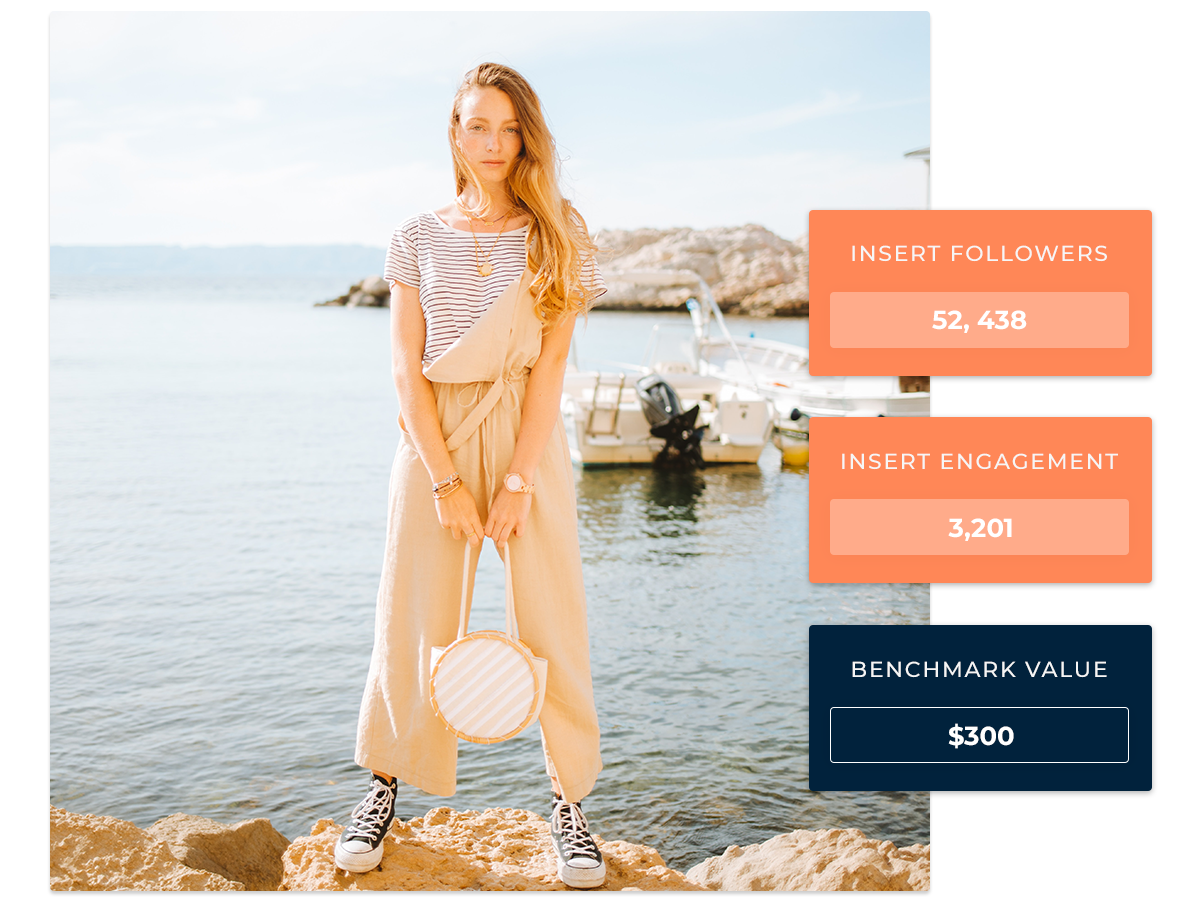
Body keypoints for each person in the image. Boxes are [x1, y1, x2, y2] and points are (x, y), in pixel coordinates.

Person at [334, 63, 607, 889]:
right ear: (453, 134)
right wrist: (447, 480)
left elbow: (553, 368)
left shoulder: (561, 231)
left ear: (528, 135)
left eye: (509, 128)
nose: (493, 143)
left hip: (526, 435)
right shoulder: (415, 236)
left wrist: (519, 480)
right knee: (410, 618)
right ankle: (382, 789)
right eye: (477, 125)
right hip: (434, 442)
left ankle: (571, 807)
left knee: (552, 619)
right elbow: (403, 371)